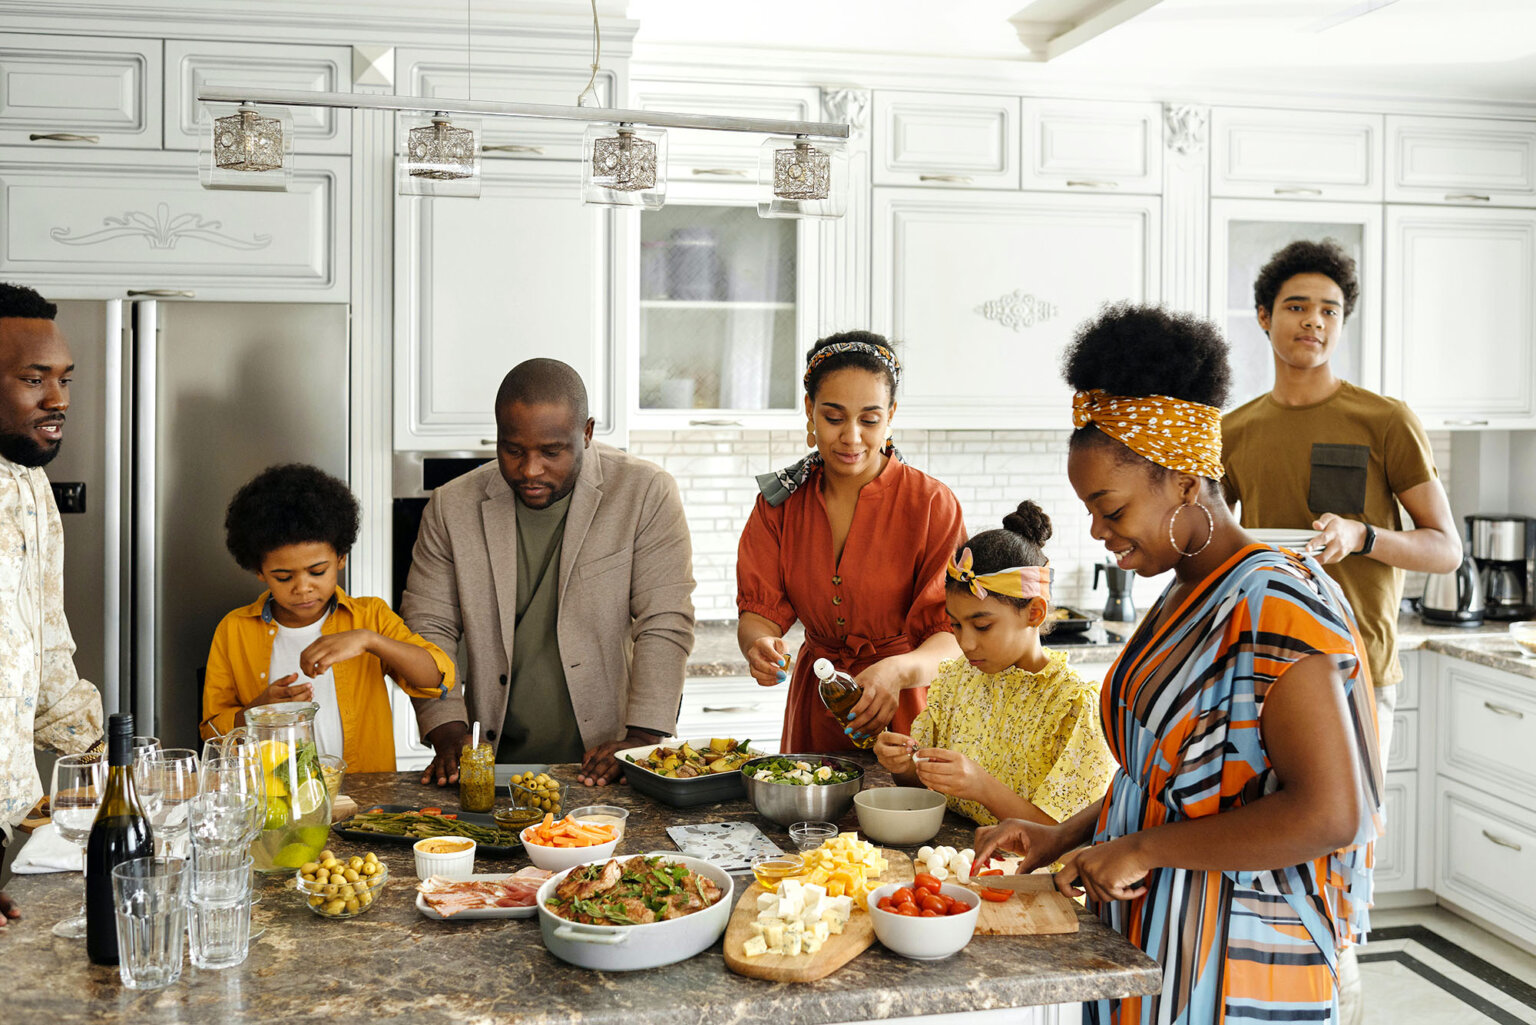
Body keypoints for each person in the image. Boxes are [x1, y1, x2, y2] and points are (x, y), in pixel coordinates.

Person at [975, 304, 1385, 1025]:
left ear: (1186, 482)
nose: (1100, 533)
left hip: (1239, 962)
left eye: (1110, 507)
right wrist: (1062, 835)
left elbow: (1331, 812)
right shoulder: (1185, 592)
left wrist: (1143, 848)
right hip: (1159, 939)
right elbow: (1173, 781)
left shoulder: (1274, 602)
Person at [1222, 238, 1460, 773]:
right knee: (1259, 841)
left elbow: (1447, 550)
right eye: (1297, 307)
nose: (1314, 321)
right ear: (1264, 316)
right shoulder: (1232, 431)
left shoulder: (1384, 420)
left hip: (1354, 663)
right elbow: (1210, 538)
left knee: (1348, 841)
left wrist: (1363, 536)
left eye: (1329, 310)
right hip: (1261, 662)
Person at [403, 358, 695, 788]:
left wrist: (642, 740)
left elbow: (664, 621)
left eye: (552, 452)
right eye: (513, 449)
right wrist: (446, 727)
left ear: (588, 433)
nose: (530, 470)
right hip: (494, 764)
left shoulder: (645, 493)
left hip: (607, 762)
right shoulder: (452, 506)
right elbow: (428, 626)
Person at [737, 331, 965, 752]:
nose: (852, 437)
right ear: (810, 411)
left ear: (891, 414)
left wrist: (896, 673)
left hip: (909, 710)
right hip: (816, 706)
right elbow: (759, 612)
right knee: (810, 815)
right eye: (834, 417)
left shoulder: (932, 504)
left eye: (869, 419)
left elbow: (953, 636)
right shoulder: (779, 506)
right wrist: (759, 646)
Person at [200, 463, 455, 773]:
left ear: (341, 557)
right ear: (259, 571)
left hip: (364, 797)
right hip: (272, 798)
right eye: (283, 577)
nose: (303, 587)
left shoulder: (369, 617)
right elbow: (212, 732)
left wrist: (369, 641)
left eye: (318, 571)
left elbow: (437, 679)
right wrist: (257, 713)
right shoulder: (234, 630)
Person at [874, 501, 1114, 827]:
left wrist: (981, 786)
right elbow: (925, 785)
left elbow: (1061, 836)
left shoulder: (1073, 706)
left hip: (1027, 873)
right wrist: (904, 767)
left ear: (1035, 613)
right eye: (955, 625)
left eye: (982, 626)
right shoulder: (956, 680)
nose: (965, 643)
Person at [0, 282, 104, 928]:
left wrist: (115, 769)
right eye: (33, 379)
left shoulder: (33, 490)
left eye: (64, 379)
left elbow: (45, 656)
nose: (57, 399)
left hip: (11, 829)